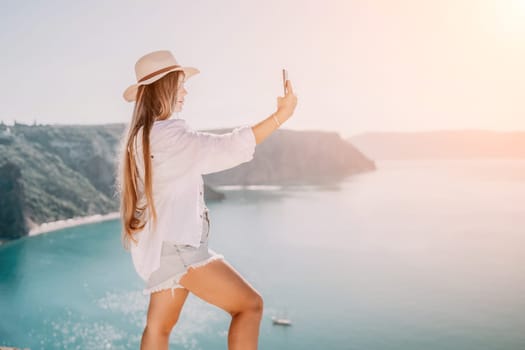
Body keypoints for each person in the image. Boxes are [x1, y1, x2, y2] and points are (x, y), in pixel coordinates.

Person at [116, 50, 298, 350]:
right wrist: (281, 115)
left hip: (163, 249)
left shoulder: (140, 137)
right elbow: (227, 148)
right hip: (180, 250)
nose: (185, 92)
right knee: (249, 306)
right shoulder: (169, 138)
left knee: (158, 329)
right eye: (180, 84)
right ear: (165, 88)